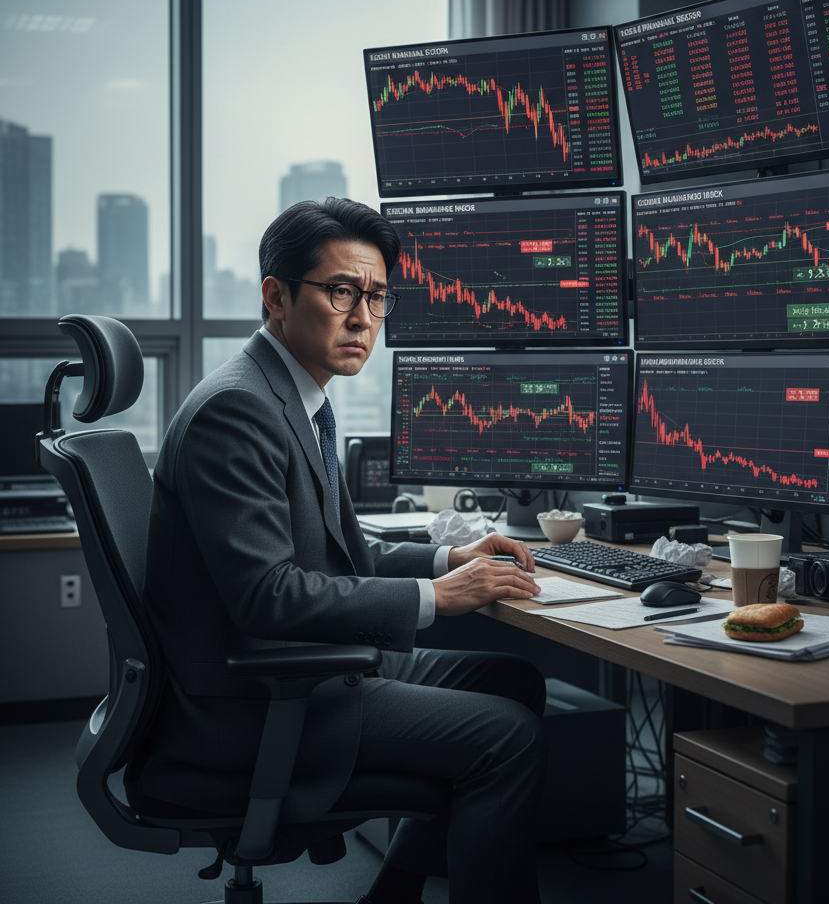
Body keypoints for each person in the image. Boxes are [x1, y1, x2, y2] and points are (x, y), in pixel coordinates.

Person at [133, 197, 548, 904]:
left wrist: (452, 561)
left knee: (513, 682)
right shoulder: (236, 412)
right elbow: (269, 594)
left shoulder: (294, 399)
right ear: (276, 296)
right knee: (505, 737)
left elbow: (339, 557)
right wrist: (434, 599)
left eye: (377, 296)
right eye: (341, 292)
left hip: (292, 676)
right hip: (252, 704)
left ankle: (392, 892)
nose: (363, 318)